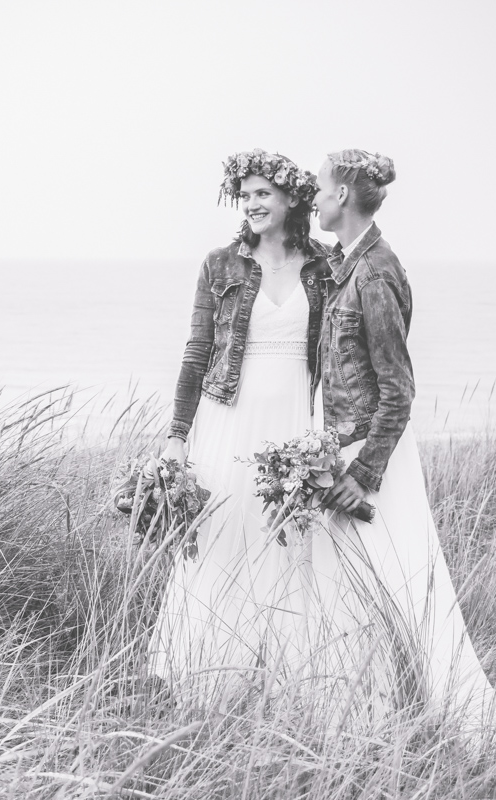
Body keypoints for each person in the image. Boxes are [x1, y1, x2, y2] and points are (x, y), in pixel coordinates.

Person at [311, 148, 496, 760]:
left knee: (401, 591)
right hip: (348, 452)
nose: (314, 198)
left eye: (320, 189)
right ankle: (376, 716)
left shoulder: (376, 273)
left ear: (344, 195)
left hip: (371, 465)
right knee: (362, 596)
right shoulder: (348, 262)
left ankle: (453, 724)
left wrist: (363, 474)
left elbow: (398, 390)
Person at [150, 149, 330, 705]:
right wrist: (177, 436)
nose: (251, 204)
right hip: (228, 418)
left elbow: (340, 350)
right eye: (244, 195)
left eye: (262, 194)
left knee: (287, 542)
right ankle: (206, 679)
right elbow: (197, 351)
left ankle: (284, 684)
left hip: (295, 424)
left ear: (291, 198)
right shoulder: (220, 263)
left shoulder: (325, 264)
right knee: (223, 536)